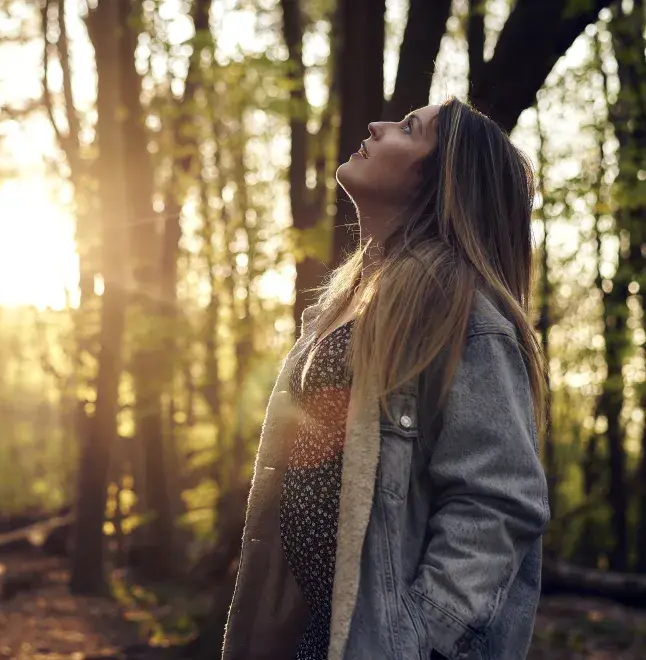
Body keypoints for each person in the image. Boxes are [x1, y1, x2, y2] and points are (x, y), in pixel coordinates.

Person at [221, 98, 550, 660]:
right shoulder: (348, 303)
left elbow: (496, 504)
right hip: (316, 636)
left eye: (408, 128)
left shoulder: (462, 317)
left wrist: (417, 638)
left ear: (440, 179)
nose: (374, 125)